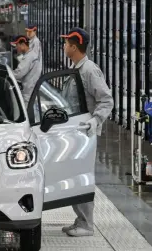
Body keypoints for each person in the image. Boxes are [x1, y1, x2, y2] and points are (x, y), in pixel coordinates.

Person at [60, 27, 113, 237]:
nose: (64, 46)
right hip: (74, 133)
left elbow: (107, 100)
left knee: (81, 178)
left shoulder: (90, 70)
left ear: (74, 46)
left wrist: (95, 121)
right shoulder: (77, 70)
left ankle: (87, 225)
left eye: (66, 43)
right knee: (73, 177)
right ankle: (80, 219)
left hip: (85, 134)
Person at [10, 35, 42, 105]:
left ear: (23, 44)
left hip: (28, 93)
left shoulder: (28, 57)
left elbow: (18, 74)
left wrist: (8, 73)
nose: (16, 48)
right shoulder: (32, 55)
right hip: (32, 91)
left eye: (16, 45)